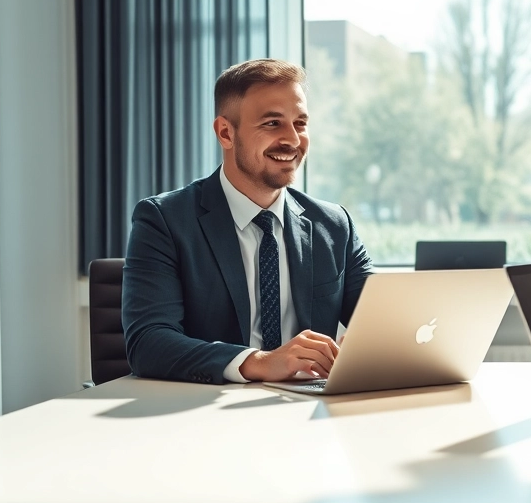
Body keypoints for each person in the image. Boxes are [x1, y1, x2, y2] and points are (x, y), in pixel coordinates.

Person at [122, 59, 373, 385]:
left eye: (300, 123)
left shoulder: (334, 225)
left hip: (308, 413)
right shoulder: (164, 220)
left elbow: (386, 323)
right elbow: (148, 342)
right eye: (272, 123)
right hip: (204, 415)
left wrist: (371, 347)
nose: (293, 140)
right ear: (226, 133)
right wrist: (259, 362)